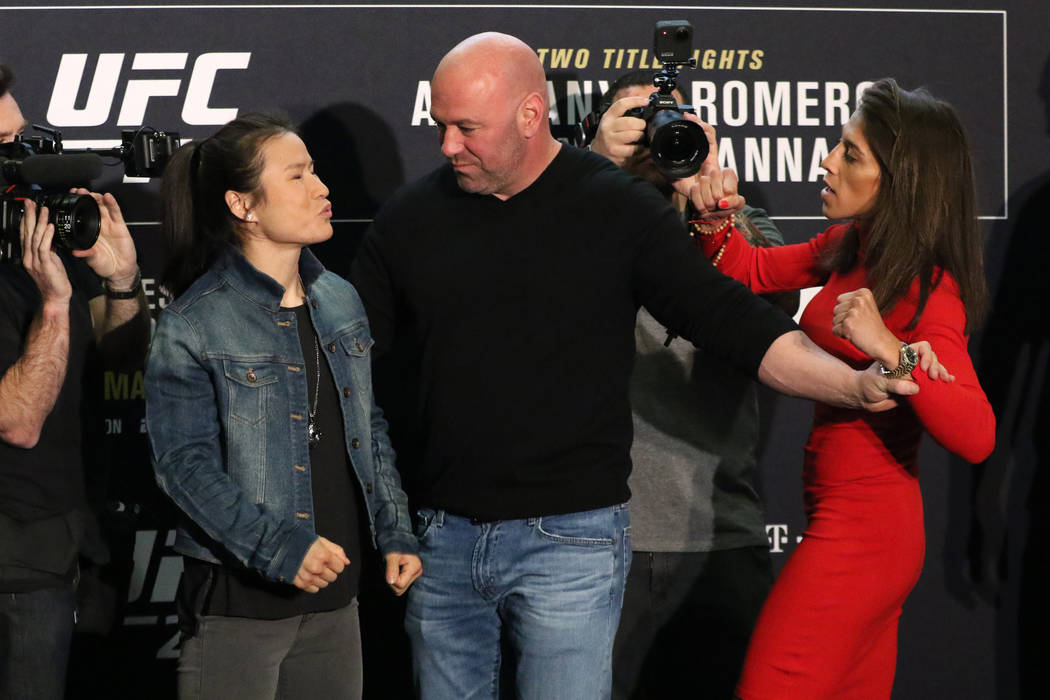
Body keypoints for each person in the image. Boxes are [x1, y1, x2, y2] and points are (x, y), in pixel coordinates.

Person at [349, 33, 919, 700]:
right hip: (443, 538)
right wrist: (392, 521)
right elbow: (354, 370)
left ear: (530, 115)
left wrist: (854, 384)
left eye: (466, 128)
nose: (447, 146)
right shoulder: (410, 219)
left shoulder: (618, 209)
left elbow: (738, 324)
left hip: (571, 541)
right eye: (442, 126)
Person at [690, 78, 995, 698]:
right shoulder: (847, 244)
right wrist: (712, 215)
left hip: (865, 538)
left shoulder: (928, 289)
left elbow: (978, 435)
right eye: (837, 145)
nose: (827, 161)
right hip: (851, 526)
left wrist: (891, 347)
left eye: (850, 154)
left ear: (899, 181)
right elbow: (745, 267)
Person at [143, 113, 421, 700]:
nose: (322, 189)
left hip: (336, 599)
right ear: (243, 205)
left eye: (315, 171)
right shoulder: (195, 322)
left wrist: (394, 529)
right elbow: (183, 467)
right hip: (238, 606)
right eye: (297, 176)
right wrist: (282, 549)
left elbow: (366, 426)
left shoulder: (339, 297)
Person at [589, 70, 798, 700]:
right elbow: (532, 270)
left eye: (665, 124)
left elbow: (777, 299)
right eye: (635, 124)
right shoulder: (574, 218)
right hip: (597, 538)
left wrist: (700, 193)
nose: (652, 138)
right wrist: (595, 170)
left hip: (717, 535)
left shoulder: (738, 224)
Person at [0, 61, 149, 699]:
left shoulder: (40, 238)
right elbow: (19, 420)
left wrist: (119, 282)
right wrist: (54, 307)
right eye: (5, 150)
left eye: (23, 139)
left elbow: (120, 363)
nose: (25, 163)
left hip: (53, 547)